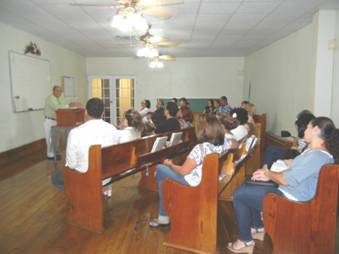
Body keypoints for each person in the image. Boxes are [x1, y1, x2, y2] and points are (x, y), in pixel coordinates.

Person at [227, 117, 339, 253]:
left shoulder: (317, 157)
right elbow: (293, 169)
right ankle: (258, 227)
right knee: (251, 183)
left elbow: (287, 180)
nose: (304, 131)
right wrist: (266, 173)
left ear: (315, 130)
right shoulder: (313, 152)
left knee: (239, 194)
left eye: (308, 127)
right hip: (290, 192)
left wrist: (269, 175)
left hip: (293, 201)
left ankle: (245, 241)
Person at [149, 114, 228, 227]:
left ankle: (163, 215)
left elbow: (183, 172)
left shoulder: (200, 148)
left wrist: (170, 165)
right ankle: (165, 209)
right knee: (163, 176)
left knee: (160, 169)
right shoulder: (223, 145)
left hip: (194, 184)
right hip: (208, 181)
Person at [51, 98, 120, 192]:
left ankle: (79, 195)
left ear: (86, 112)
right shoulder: (113, 129)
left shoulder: (76, 132)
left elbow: (71, 164)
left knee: (55, 178)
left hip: (85, 176)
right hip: (106, 175)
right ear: (103, 112)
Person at [44, 85, 80, 159]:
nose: (59, 92)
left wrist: (74, 107)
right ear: (53, 91)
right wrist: (69, 105)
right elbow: (57, 107)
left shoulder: (60, 98)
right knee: (50, 138)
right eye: (57, 91)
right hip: (49, 121)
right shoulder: (50, 98)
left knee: (56, 138)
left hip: (58, 120)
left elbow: (64, 106)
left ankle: (55, 153)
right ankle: (50, 155)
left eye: (60, 91)